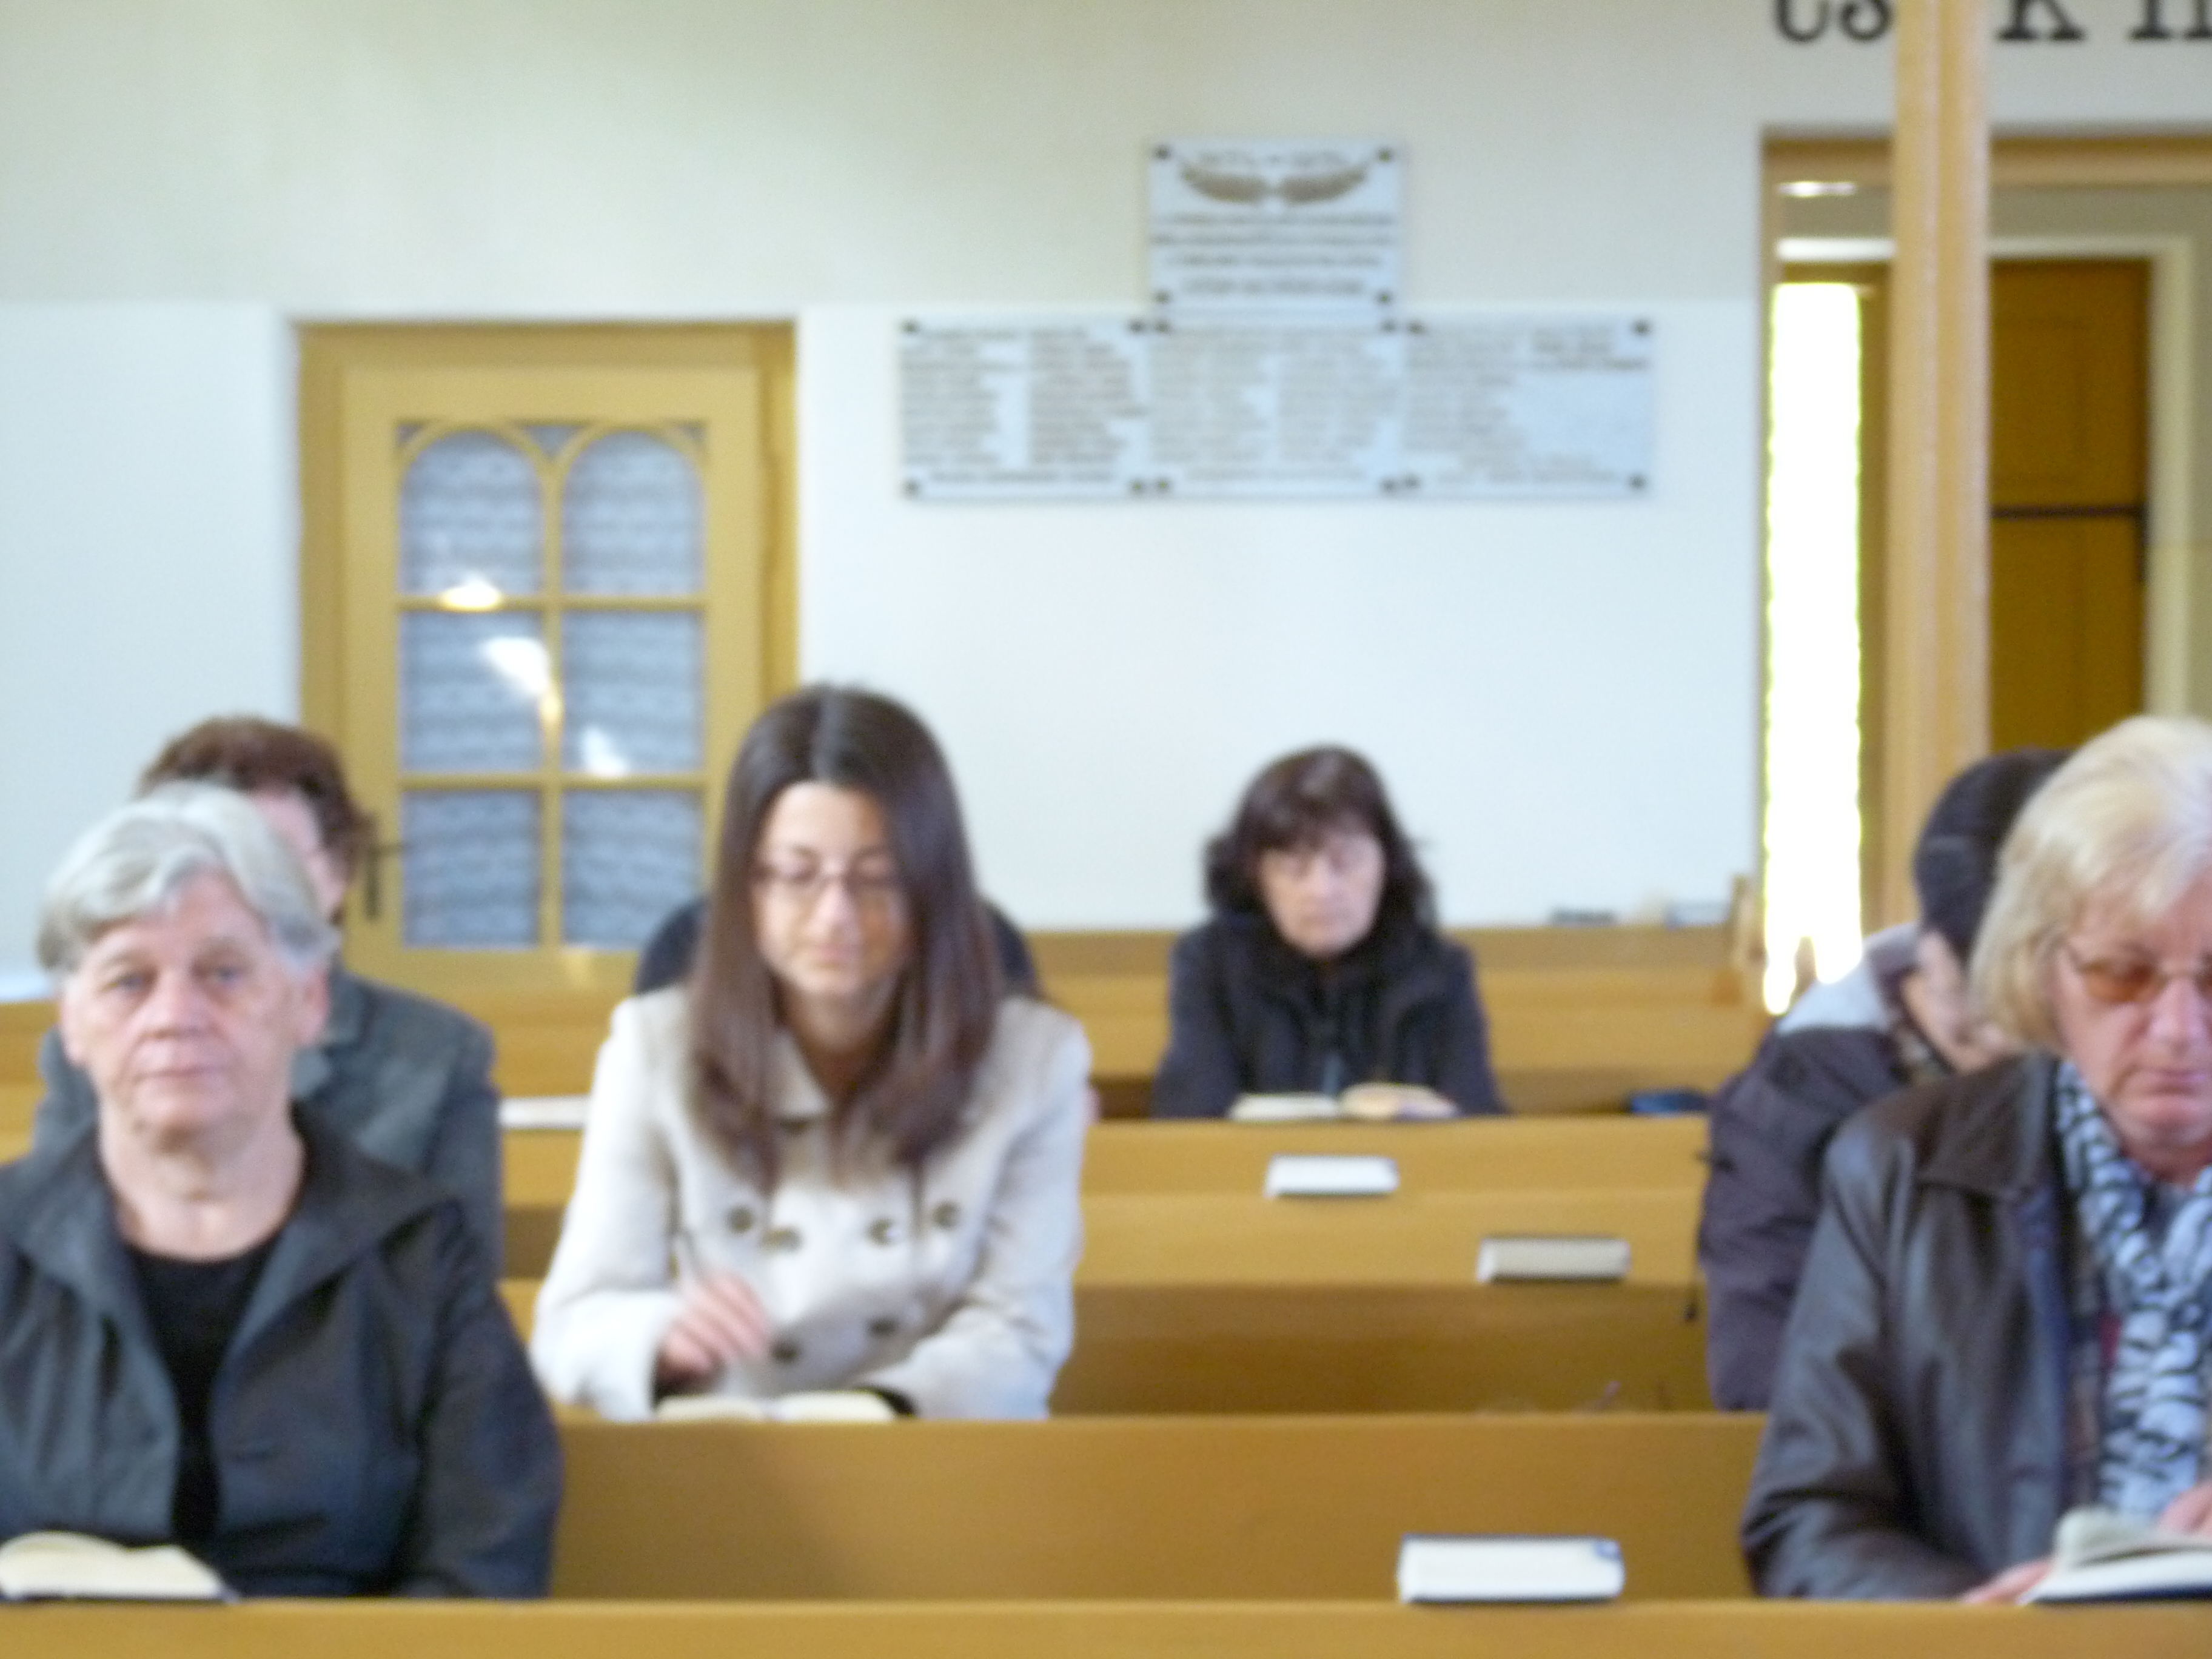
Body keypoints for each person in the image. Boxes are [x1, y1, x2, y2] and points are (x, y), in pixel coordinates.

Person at [0, 786, 558, 1596]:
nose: (175, 1015)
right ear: (72, 1022)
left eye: (223, 974)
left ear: (309, 1000)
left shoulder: (421, 1256)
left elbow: (485, 1565)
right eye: (129, 982)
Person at [1743, 718, 2212, 1600]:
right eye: (2123, 974)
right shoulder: (1903, 1168)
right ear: (2042, 969)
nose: (2180, 1029)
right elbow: (1808, 1520)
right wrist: (1972, 1626)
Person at [531, 686, 1090, 1421]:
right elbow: (576, 1321)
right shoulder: (655, 1048)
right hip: (736, 1450)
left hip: (934, 1442)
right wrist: (661, 1336)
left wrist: (873, 1413)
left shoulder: (1033, 1060)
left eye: (877, 878)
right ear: (747, 887)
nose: (836, 917)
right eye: (798, 876)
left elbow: (1017, 1332)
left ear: (933, 886)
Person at [32, 717, 503, 1270]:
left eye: (269, 858)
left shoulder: (437, 1057)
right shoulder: (98, 1046)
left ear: (339, 873)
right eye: (194, 858)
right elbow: (51, 1248)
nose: (228, 886)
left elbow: (458, 1275)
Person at [1698, 747, 2066, 1410]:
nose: (2012, 1046)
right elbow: (1770, 1379)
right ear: (1932, 950)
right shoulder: (1803, 1091)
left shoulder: (2153, 1047)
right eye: (1982, 1011)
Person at [1150, 746, 1501, 1118]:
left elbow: (1478, 1123)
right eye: (1293, 867)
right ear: (1255, 876)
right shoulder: (1210, 965)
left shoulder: (1439, 969)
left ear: (1387, 864)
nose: (1321, 890)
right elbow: (1191, 1117)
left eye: (1345, 861)